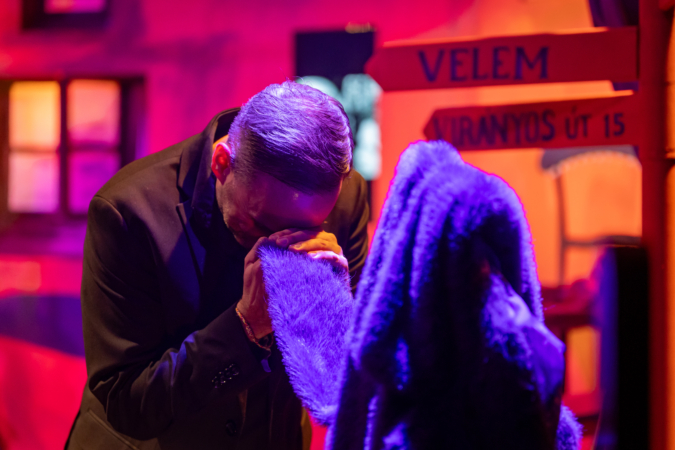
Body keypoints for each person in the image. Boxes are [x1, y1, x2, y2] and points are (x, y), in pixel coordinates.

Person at [65, 81, 369, 450]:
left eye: (303, 230)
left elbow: (347, 375)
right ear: (222, 163)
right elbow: (127, 401)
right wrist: (245, 328)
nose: (274, 244)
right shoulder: (128, 212)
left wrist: (334, 310)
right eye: (262, 223)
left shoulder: (345, 197)